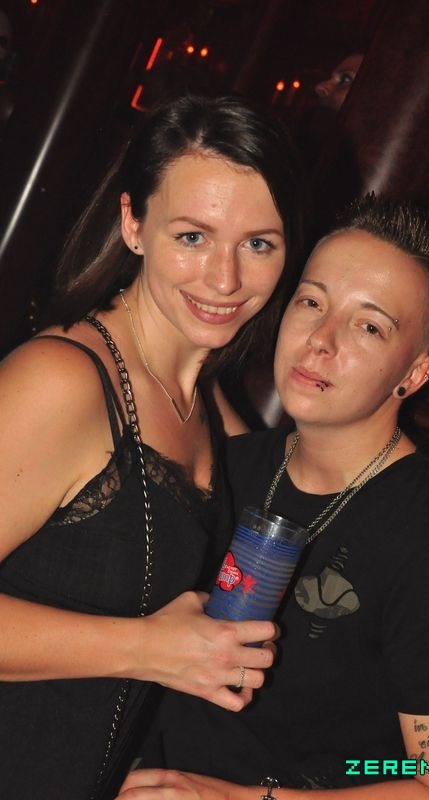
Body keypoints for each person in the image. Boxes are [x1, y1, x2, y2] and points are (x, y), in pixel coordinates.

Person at [118, 194, 429, 800]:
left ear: (413, 375)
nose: (321, 340)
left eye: (369, 326)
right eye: (311, 302)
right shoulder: (236, 466)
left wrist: (241, 798)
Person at [0, 93, 304, 799]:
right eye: (192, 236)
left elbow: (304, 494)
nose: (225, 279)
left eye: (259, 244)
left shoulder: (202, 399)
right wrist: (151, 648)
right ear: (133, 224)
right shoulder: (62, 381)